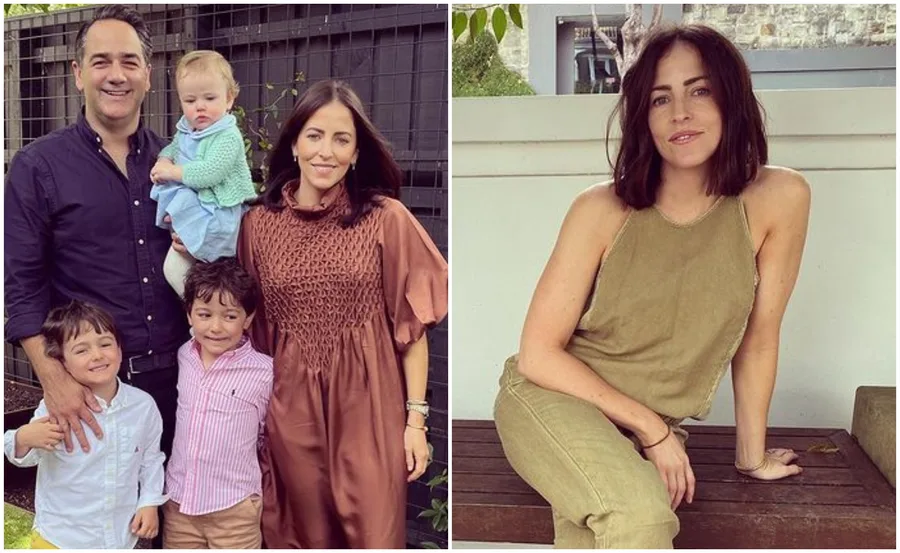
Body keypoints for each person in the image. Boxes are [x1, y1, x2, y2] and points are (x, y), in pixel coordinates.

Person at [493, 24, 811, 549]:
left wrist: (750, 457)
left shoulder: (780, 198)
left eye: (700, 90)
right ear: (644, 116)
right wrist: (654, 431)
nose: (680, 112)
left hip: (642, 427)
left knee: (601, 527)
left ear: (732, 99)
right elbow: (538, 355)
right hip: (553, 402)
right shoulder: (600, 209)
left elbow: (758, 337)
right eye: (661, 98)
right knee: (642, 519)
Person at [235, 79, 448, 548]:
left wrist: (416, 423)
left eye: (341, 139)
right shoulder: (257, 224)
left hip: (370, 409)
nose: (325, 151)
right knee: (300, 535)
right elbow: (254, 333)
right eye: (314, 135)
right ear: (294, 143)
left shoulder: (386, 218)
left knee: (375, 533)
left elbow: (411, 332)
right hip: (290, 412)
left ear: (356, 153)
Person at [4, 4, 188, 461]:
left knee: (172, 521)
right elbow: (21, 286)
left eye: (129, 61)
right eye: (100, 61)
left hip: (181, 382)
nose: (116, 75)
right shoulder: (38, 167)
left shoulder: (178, 165)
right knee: (98, 523)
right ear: (78, 73)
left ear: (148, 73)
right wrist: (54, 379)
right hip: (92, 391)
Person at [3, 301, 167, 549]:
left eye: (105, 344)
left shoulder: (143, 407)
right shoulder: (56, 408)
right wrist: (24, 438)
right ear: (62, 361)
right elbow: (25, 454)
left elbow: (151, 460)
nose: (98, 355)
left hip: (119, 539)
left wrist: (149, 502)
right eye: (81, 350)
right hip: (60, 539)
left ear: (120, 349)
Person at [162, 258, 273, 549]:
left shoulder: (264, 372)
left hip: (234, 510)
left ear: (248, 319)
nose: (216, 327)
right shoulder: (184, 356)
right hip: (179, 505)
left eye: (230, 316)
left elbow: (267, 434)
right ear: (189, 315)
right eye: (204, 314)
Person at [150, 50, 257, 297]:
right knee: (177, 270)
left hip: (218, 214)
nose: (200, 107)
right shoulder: (188, 129)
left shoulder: (228, 136)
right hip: (198, 208)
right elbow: (173, 147)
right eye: (190, 101)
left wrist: (172, 171)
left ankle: (212, 311)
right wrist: (164, 159)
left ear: (229, 99)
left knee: (209, 272)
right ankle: (199, 312)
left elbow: (210, 173)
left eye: (209, 98)